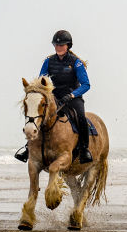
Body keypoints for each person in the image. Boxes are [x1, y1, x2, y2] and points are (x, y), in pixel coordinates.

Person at [14, 29, 93, 164]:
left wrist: (72, 95)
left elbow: (86, 85)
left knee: (80, 117)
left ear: (68, 46)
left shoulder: (76, 62)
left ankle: (84, 150)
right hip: (54, 95)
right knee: (38, 114)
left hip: (73, 95)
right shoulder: (48, 61)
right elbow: (41, 81)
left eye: (61, 45)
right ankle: (28, 148)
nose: (58, 47)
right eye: (56, 45)